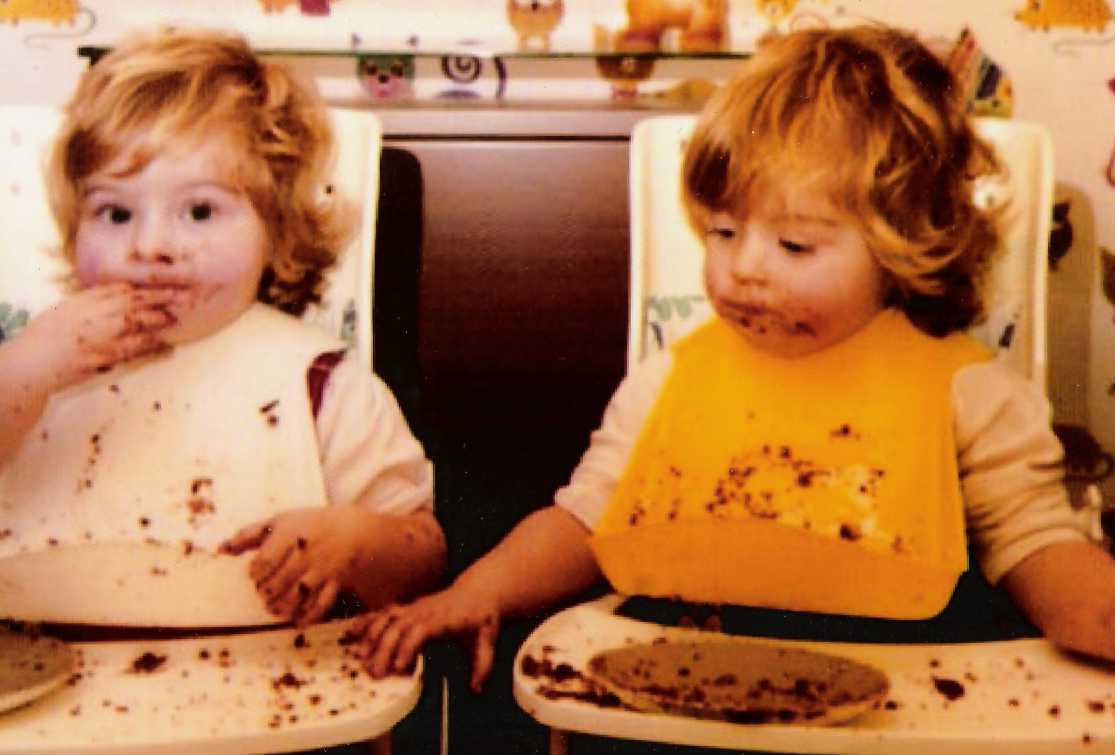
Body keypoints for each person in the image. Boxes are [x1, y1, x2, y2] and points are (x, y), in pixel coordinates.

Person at [353, 24, 1115, 690]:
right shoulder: (670, 379)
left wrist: (1094, 609)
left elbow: (1034, 544)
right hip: (679, 691)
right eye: (721, 232)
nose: (743, 267)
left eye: (793, 244)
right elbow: (586, 519)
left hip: (901, 707)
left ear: (901, 246)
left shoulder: (965, 392)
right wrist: (478, 589)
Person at [0, 26, 445, 626]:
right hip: (46, 684)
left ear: (277, 231)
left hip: (263, 692)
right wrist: (22, 375)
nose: (151, 245)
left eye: (201, 211)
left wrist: (353, 542)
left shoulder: (321, 384)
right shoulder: (31, 368)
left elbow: (423, 552)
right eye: (115, 212)